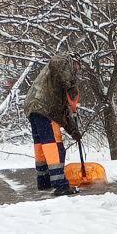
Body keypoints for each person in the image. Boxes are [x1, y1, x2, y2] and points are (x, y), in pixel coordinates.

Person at [24, 53, 83, 196]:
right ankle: (60, 185)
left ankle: (44, 181)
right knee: (55, 147)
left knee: (41, 146)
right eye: (77, 67)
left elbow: (62, 114)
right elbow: (56, 63)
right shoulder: (64, 60)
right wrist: (71, 86)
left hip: (35, 107)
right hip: (45, 109)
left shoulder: (57, 84)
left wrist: (73, 131)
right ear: (74, 61)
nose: (77, 70)